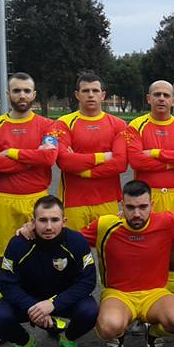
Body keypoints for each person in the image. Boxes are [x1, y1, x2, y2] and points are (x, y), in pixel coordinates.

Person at [79, 180, 174, 347]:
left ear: (152, 205)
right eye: (130, 207)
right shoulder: (104, 226)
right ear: (122, 206)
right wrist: (35, 230)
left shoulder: (166, 221)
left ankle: (153, 333)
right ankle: (117, 335)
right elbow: (69, 238)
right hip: (119, 294)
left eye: (142, 206)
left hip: (155, 293)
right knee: (110, 327)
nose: (137, 213)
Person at [0, 72, 57, 347]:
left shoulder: (48, 124)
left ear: (34, 94)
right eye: (16, 91)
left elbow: (49, 157)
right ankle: (0, 325)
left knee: (47, 259)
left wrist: (11, 153)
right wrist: (31, 158)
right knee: (2, 262)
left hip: (38, 200)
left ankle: (52, 317)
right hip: (4, 200)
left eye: (27, 90)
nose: (22, 96)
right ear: (8, 94)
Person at [0, 196, 98, 347]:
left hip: (63, 300)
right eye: (43, 220)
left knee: (90, 312)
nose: (48, 226)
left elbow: (88, 281)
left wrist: (53, 304)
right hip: (28, 301)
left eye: (54, 220)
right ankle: (24, 343)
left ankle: (67, 339)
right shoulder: (18, 244)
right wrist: (34, 307)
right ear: (33, 221)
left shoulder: (77, 241)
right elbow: (6, 284)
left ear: (64, 221)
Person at [125, 80, 174, 296]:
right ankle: (143, 305)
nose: (161, 99)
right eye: (156, 94)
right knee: (144, 253)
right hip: (147, 198)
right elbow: (137, 161)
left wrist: (155, 153)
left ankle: (171, 300)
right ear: (148, 99)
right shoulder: (135, 126)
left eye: (166, 95)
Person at [50, 72, 128, 231]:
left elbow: (120, 164)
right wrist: (103, 157)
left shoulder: (119, 125)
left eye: (95, 91)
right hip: (73, 202)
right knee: (74, 252)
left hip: (108, 200)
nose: (91, 95)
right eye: (85, 91)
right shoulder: (63, 123)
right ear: (77, 95)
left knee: (108, 252)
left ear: (103, 95)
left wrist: (84, 170)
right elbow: (65, 161)